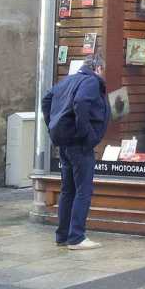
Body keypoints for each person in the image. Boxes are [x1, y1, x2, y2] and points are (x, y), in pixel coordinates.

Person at [41, 54, 110, 250]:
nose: (102, 75)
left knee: (68, 190)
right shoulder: (91, 81)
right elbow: (80, 102)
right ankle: (77, 237)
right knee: (83, 190)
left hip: (65, 143)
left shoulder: (69, 80)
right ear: (98, 68)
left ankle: (63, 236)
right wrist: (85, 133)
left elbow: (47, 99)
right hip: (80, 144)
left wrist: (53, 124)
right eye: (103, 71)